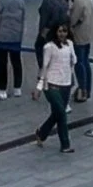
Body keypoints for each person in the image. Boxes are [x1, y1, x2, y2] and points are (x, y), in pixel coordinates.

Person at [34, 21, 76, 153]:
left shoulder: (70, 44)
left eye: (64, 31)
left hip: (66, 83)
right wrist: (39, 87)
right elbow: (44, 66)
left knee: (57, 113)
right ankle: (65, 144)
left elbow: (74, 60)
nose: (62, 34)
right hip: (51, 84)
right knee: (62, 114)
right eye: (60, 31)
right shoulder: (49, 47)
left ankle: (41, 133)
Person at [69, 0, 93, 103]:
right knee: (86, 62)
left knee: (79, 64)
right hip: (88, 35)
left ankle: (82, 89)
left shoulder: (78, 2)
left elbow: (73, 20)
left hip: (79, 36)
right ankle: (87, 89)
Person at [35, 0, 68, 76]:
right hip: (61, 31)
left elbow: (44, 19)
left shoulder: (47, 3)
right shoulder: (63, 1)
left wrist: (43, 32)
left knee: (40, 47)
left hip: (49, 32)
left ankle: (43, 70)